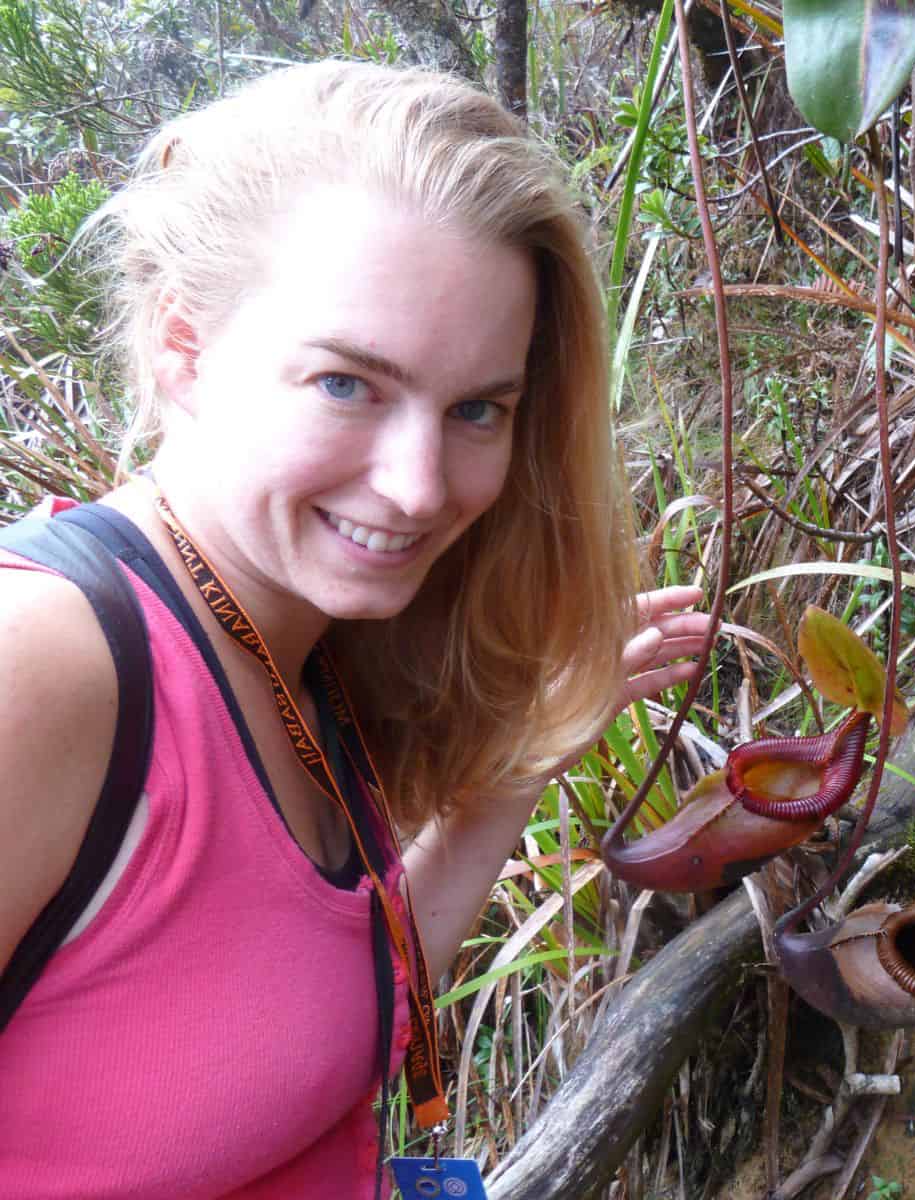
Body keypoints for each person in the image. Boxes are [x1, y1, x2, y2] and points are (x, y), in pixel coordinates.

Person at [0, 61, 709, 1198]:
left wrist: (522, 763)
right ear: (184, 349)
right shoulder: (46, 667)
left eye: (478, 407)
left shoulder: (298, 643)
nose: (422, 486)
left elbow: (323, 1010)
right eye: (347, 385)